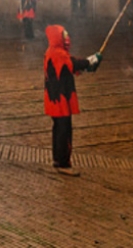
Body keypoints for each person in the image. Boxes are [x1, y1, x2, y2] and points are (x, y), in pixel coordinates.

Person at [43, 25, 101, 176]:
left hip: (54, 98)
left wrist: (88, 63)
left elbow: (70, 63)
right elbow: (73, 64)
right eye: (64, 35)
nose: (67, 38)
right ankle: (63, 163)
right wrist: (91, 61)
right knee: (64, 130)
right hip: (60, 98)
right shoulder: (58, 53)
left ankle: (58, 159)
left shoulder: (53, 51)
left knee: (58, 128)